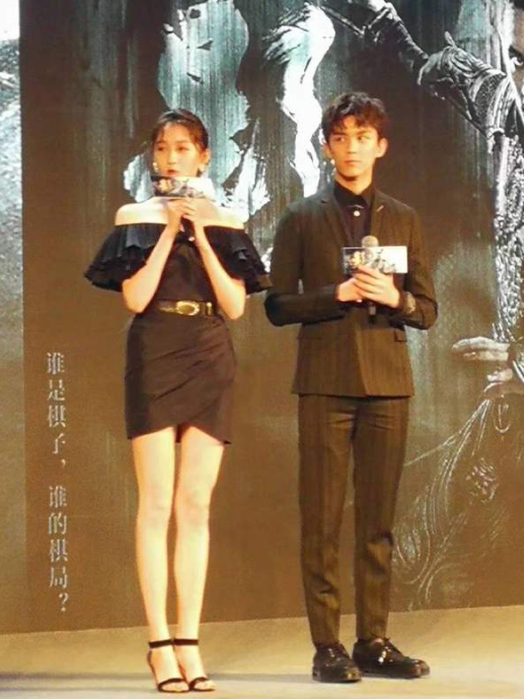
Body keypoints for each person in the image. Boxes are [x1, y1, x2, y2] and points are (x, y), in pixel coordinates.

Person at [340, 0, 524, 606]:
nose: (522, 79)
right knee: (435, 546)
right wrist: (386, 25)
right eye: (517, 59)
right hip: (506, 388)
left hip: (515, 375)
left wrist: (520, 363)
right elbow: (432, 70)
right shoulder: (504, 101)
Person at [85, 108, 269, 693]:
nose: (171, 158)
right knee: (156, 503)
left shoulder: (228, 222)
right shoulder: (134, 217)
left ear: (203, 156)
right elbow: (136, 298)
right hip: (155, 352)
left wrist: (202, 234)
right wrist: (169, 230)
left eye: (183, 148)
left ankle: (190, 642)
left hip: (209, 353)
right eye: (163, 148)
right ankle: (159, 644)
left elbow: (235, 306)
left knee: (194, 505)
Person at [265, 92, 437, 682]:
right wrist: (334, 295)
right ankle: (327, 647)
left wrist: (396, 298)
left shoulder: (404, 217)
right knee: (321, 520)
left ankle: (374, 640)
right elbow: (277, 306)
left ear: (380, 146)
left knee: (378, 521)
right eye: (341, 138)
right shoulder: (301, 217)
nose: (352, 148)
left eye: (363, 137)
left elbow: (428, 309)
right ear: (327, 147)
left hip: (388, 383)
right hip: (325, 383)